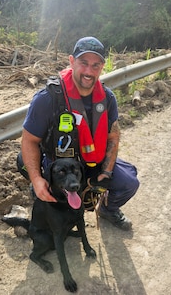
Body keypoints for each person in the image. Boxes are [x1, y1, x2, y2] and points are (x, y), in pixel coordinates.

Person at [19, 36, 139, 231]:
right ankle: (43, 194)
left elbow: (113, 136)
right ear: (72, 61)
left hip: (93, 160)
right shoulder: (48, 99)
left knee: (128, 183)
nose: (89, 71)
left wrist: (107, 172)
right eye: (84, 63)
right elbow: (29, 140)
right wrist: (36, 178)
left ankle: (108, 210)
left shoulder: (107, 98)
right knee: (57, 221)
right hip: (58, 162)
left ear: (102, 66)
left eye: (96, 65)